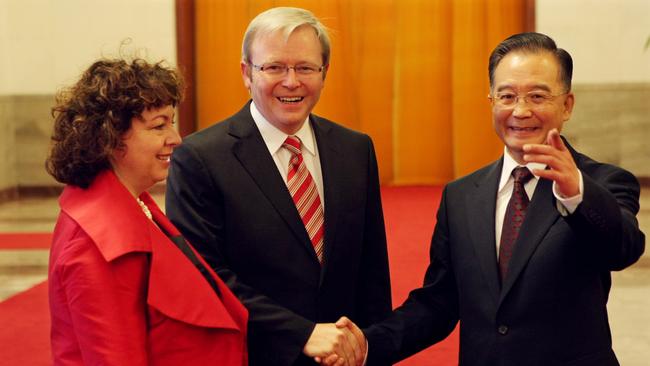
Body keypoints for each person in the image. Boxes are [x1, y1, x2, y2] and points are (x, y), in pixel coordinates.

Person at [336, 32, 646, 366]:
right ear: (491, 101)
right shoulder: (461, 197)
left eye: (537, 96)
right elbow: (439, 302)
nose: (521, 110)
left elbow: (622, 248)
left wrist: (575, 194)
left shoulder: (603, 182)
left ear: (567, 104)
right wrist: (368, 345)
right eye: (507, 96)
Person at [165, 6, 391, 366]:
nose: (291, 81)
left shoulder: (355, 149)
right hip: (253, 355)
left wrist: (372, 348)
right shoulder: (200, 158)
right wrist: (300, 333)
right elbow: (204, 275)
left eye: (305, 68)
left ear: (324, 73)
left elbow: (372, 270)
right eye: (274, 67)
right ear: (246, 73)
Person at [46, 58, 248, 365]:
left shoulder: (125, 202)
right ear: (109, 137)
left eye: (172, 122)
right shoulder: (98, 244)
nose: (176, 139)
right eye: (159, 126)